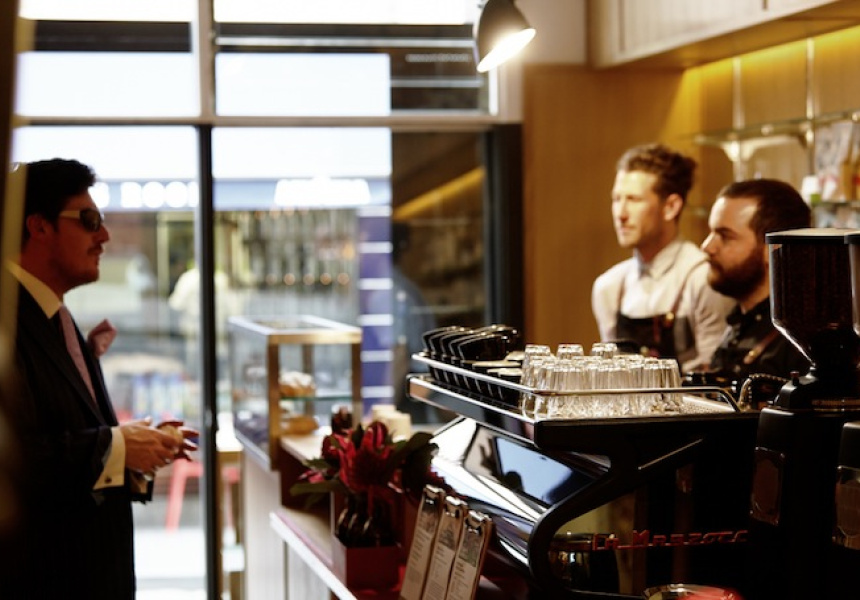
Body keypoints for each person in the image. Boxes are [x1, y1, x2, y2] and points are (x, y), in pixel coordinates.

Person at [0, 158, 197, 599]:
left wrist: (136, 449)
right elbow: (16, 460)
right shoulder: (8, 321)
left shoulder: (55, 315)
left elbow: (71, 432)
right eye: (89, 220)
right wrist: (119, 446)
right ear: (39, 226)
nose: (104, 235)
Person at [591, 143, 735, 372]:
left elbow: (716, 375)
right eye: (616, 199)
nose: (621, 213)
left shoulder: (702, 278)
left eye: (634, 199)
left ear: (671, 206)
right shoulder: (609, 286)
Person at [700, 178, 811, 388]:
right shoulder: (740, 322)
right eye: (711, 233)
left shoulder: (801, 341)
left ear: (772, 249)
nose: (707, 246)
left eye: (725, 236)